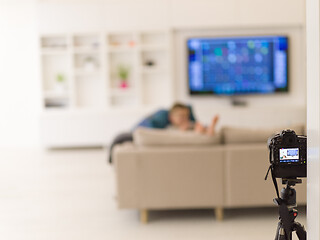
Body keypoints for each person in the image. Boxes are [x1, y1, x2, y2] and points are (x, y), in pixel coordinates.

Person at [108, 102, 219, 163]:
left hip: (193, 139)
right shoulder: (167, 128)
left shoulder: (190, 124)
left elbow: (199, 128)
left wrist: (198, 127)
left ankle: (209, 128)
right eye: (180, 116)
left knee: (200, 131)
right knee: (121, 137)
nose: (184, 119)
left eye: (186, 116)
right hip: (179, 138)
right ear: (171, 117)